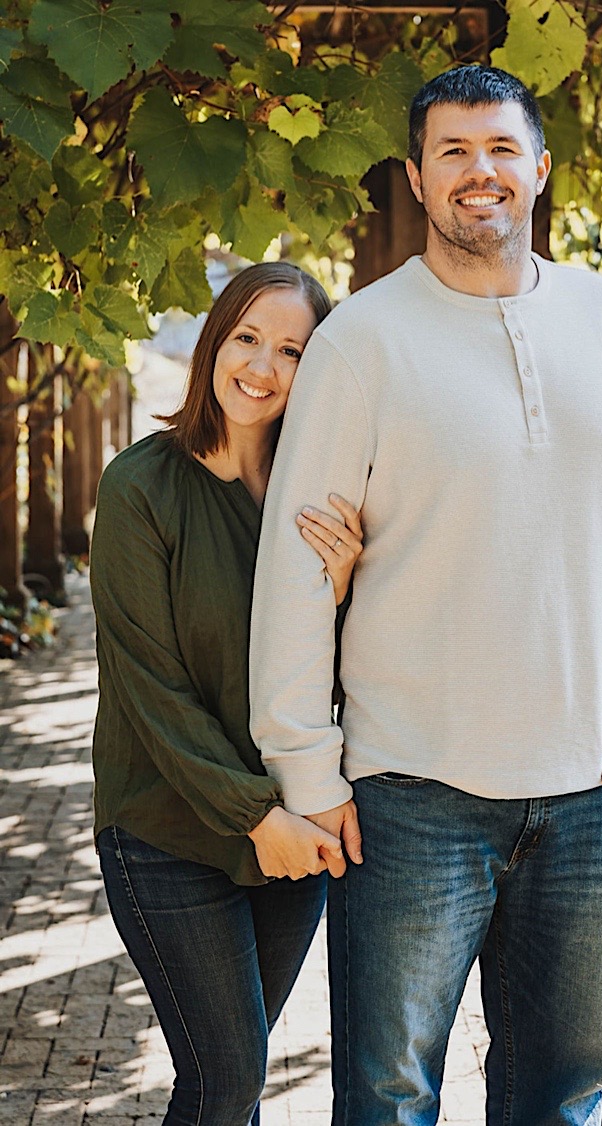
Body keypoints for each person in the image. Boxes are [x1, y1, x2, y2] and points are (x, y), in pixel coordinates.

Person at [247, 65, 602, 1126]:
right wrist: (306, 767)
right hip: (412, 794)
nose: (477, 172)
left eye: (499, 149)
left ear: (538, 168)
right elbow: (300, 568)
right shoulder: (361, 340)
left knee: (561, 1093)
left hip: (588, 787)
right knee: (392, 1096)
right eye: (452, 152)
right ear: (417, 177)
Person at [90, 261, 366, 1124]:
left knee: (231, 1082)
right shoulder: (140, 488)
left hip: (294, 835)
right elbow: (154, 694)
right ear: (214, 341)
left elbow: (351, 667)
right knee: (226, 1080)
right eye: (247, 337)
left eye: (291, 349)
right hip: (170, 833)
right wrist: (258, 817)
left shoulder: (321, 497)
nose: (262, 365)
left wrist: (353, 586)